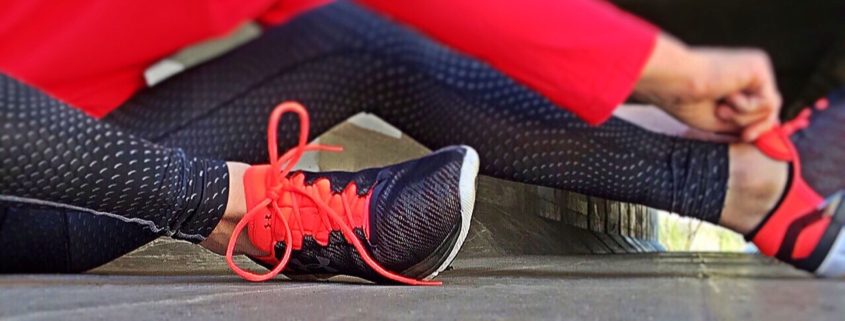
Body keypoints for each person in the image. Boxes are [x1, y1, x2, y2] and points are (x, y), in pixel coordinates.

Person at [0, 0, 843, 282]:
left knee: (358, 35)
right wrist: (675, 71)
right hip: (33, 193)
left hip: (80, 155)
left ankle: (752, 191)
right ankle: (245, 211)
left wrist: (663, 69)